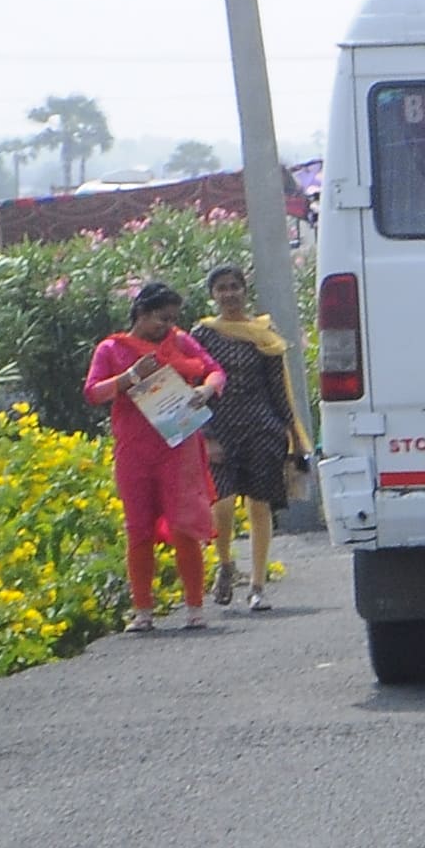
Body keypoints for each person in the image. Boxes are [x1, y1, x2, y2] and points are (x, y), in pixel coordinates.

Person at [83, 280, 224, 636]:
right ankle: (142, 611)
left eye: (173, 319)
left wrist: (206, 389)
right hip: (134, 450)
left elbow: (215, 370)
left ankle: (195, 608)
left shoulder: (179, 342)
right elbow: (94, 392)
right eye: (162, 318)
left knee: (184, 526)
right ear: (141, 314)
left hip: (179, 446)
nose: (168, 325)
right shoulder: (112, 348)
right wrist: (129, 377)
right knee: (138, 529)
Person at [193, 262, 312, 611]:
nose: (229, 294)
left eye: (235, 287)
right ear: (212, 295)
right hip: (218, 429)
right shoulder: (202, 335)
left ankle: (258, 585)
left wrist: (294, 435)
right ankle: (226, 564)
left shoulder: (263, 333)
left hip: (262, 428)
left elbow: (278, 388)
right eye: (222, 288)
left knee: (259, 505)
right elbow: (191, 386)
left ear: (245, 291)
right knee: (222, 503)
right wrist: (204, 435)